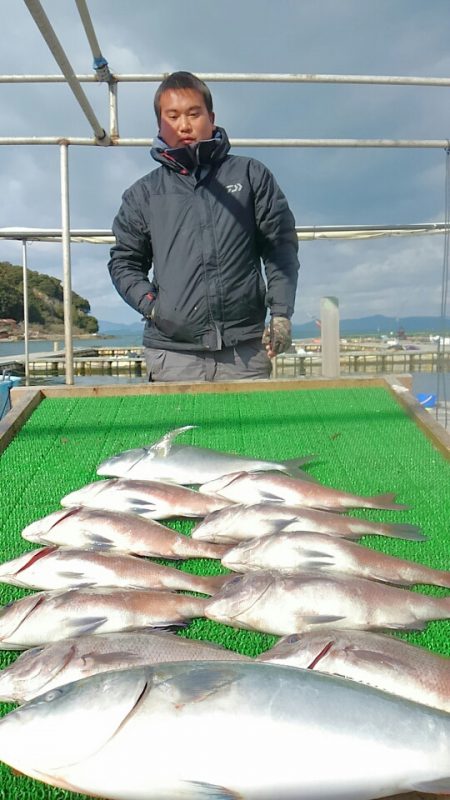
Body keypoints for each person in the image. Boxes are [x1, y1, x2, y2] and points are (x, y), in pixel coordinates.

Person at [108, 71, 300, 382]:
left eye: (193, 114)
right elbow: (124, 262)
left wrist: (280, 314)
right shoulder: (143, 194)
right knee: (177, 432)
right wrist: (153, 307)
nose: (184, 125)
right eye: (172, 116)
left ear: (210, 117)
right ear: (160, 125)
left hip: (245, 352)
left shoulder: (251, 175)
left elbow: (280, 248)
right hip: (172, 354)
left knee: (247, 432)